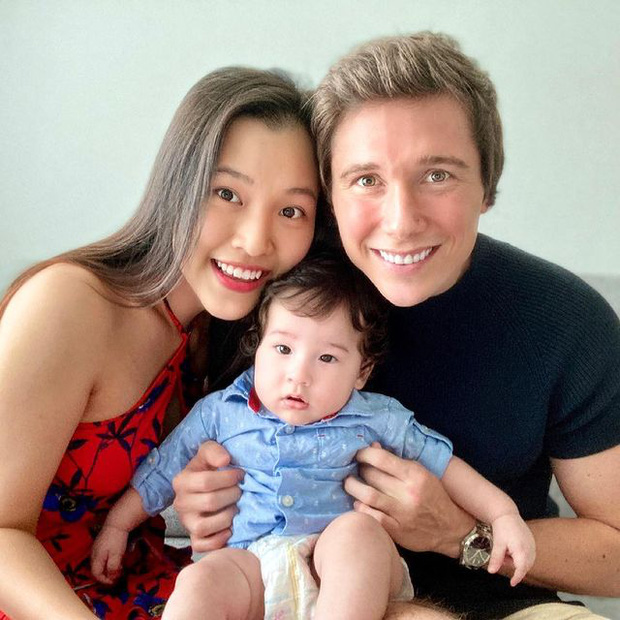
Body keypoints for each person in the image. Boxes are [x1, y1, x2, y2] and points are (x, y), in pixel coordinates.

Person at [171, 33, 620, 620]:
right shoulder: (275, 292)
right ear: (329, 193)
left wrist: (459, 532)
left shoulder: (564, 321)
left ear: (487, 185)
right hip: (279, 591)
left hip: (501, 606)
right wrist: (199, 494)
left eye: (437, 175)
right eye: (366, 179)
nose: (401, 220)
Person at [0, 67, 320, 619]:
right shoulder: (70, 304)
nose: (255, 241)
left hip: (142, 582)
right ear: (179, 186)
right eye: (227, 193)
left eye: (291, 211)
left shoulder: (235, 335)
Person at [90, 250, 535, 620]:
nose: (298, 375)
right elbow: (164, 470)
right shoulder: (220, 412)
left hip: (340, 577)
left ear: (361, 371)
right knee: (199, 579)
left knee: (356, 533)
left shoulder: (376, 418)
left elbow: (443, 464)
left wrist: (502, 514)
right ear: (258, 347)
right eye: (283, 349)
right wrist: (118, 524)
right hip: (251, 569)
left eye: (327, 358)